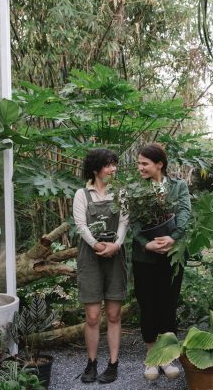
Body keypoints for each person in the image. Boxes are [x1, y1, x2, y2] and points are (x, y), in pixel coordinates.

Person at [131, 143, 192, 381]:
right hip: (144, 257)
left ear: (160, 165)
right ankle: (150, 358)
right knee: (148, 304)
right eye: (138, 163)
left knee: (168, 303)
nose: (140, 168)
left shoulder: (179, 187)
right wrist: (146, 243)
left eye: (144, 163)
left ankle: (166, 358)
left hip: (172, 255)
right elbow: (133, 222)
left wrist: (173, 238)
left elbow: (185, 213)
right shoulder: (136, 189)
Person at [73, 148, 128, 384]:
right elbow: (80, 225)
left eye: (114, 164)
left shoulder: (121, 193)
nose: (113, 169)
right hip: (90, 256)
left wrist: (116, 245)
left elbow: (125, 221)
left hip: (115, 255)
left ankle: (113, 363)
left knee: (114, 314)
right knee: (93, 316)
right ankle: (92, 363)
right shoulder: (81, 194)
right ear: (96, 169)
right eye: (108, 165)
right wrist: (97, 244)